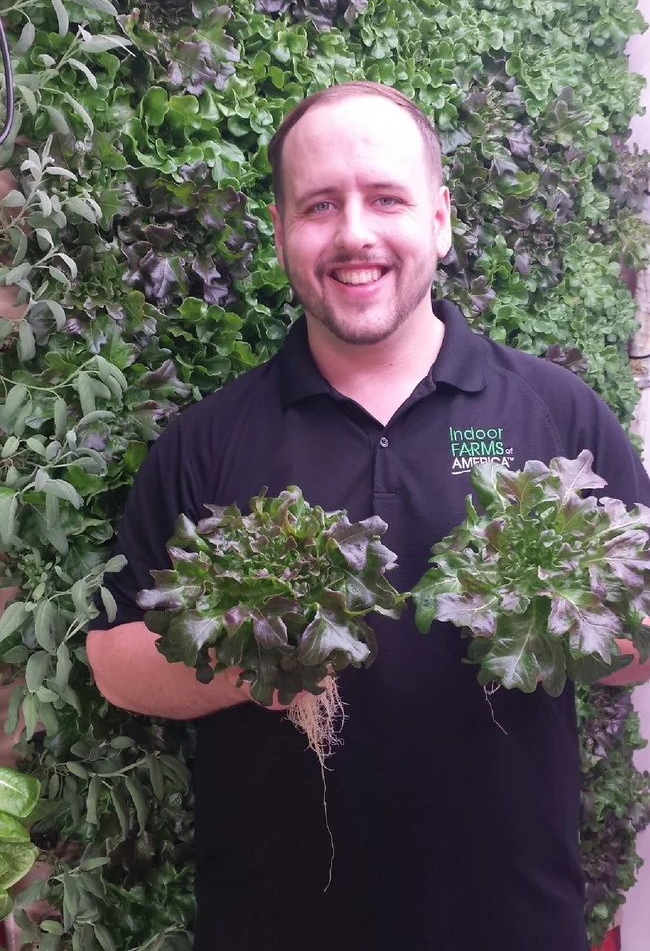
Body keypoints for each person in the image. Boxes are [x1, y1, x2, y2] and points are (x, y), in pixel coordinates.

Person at [87, 81, 650, 951]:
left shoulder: (554, 413)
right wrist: (258, 661)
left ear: (440, 218)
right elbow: (115, 660)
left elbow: (639, 639)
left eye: (385, 198)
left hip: (511, 923)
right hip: (275, 926)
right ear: (281, 231)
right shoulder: (208, 440)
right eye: (319, 206)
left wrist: (569, 622)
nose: (354, 233)